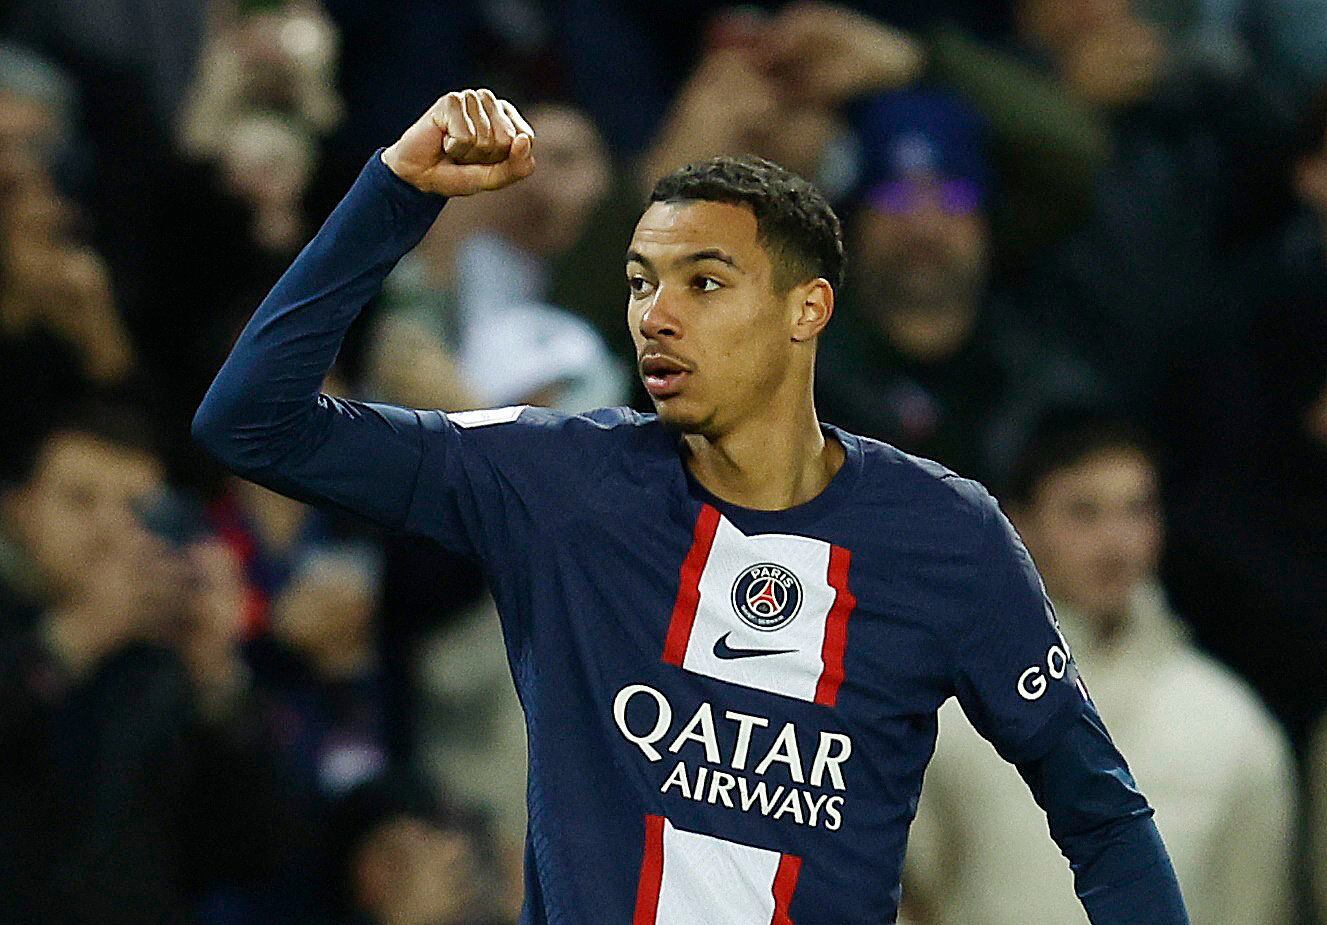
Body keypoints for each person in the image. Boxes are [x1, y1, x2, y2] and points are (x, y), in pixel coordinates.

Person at [194, 88, 1189, 923]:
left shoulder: (947, 534)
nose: (655, 316)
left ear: (808, 308)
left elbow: (1099, 813)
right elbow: (252, 423)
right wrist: (395, 194)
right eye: (638, 284)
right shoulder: (553, 480)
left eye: (703, 282)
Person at [902, 410, 1296, 925]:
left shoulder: (1230, 722)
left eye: (1137, 511)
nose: (1117, 541)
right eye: (1083, 512)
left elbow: (1252, 906)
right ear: (1016, 521)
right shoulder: (946, 707)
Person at [816, 88, 1098, 487]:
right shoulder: (801, 384)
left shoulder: (1045, 394)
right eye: (895, 197)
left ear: (986, 222)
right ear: (853, 222)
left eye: (953, 197)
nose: (924, 227)